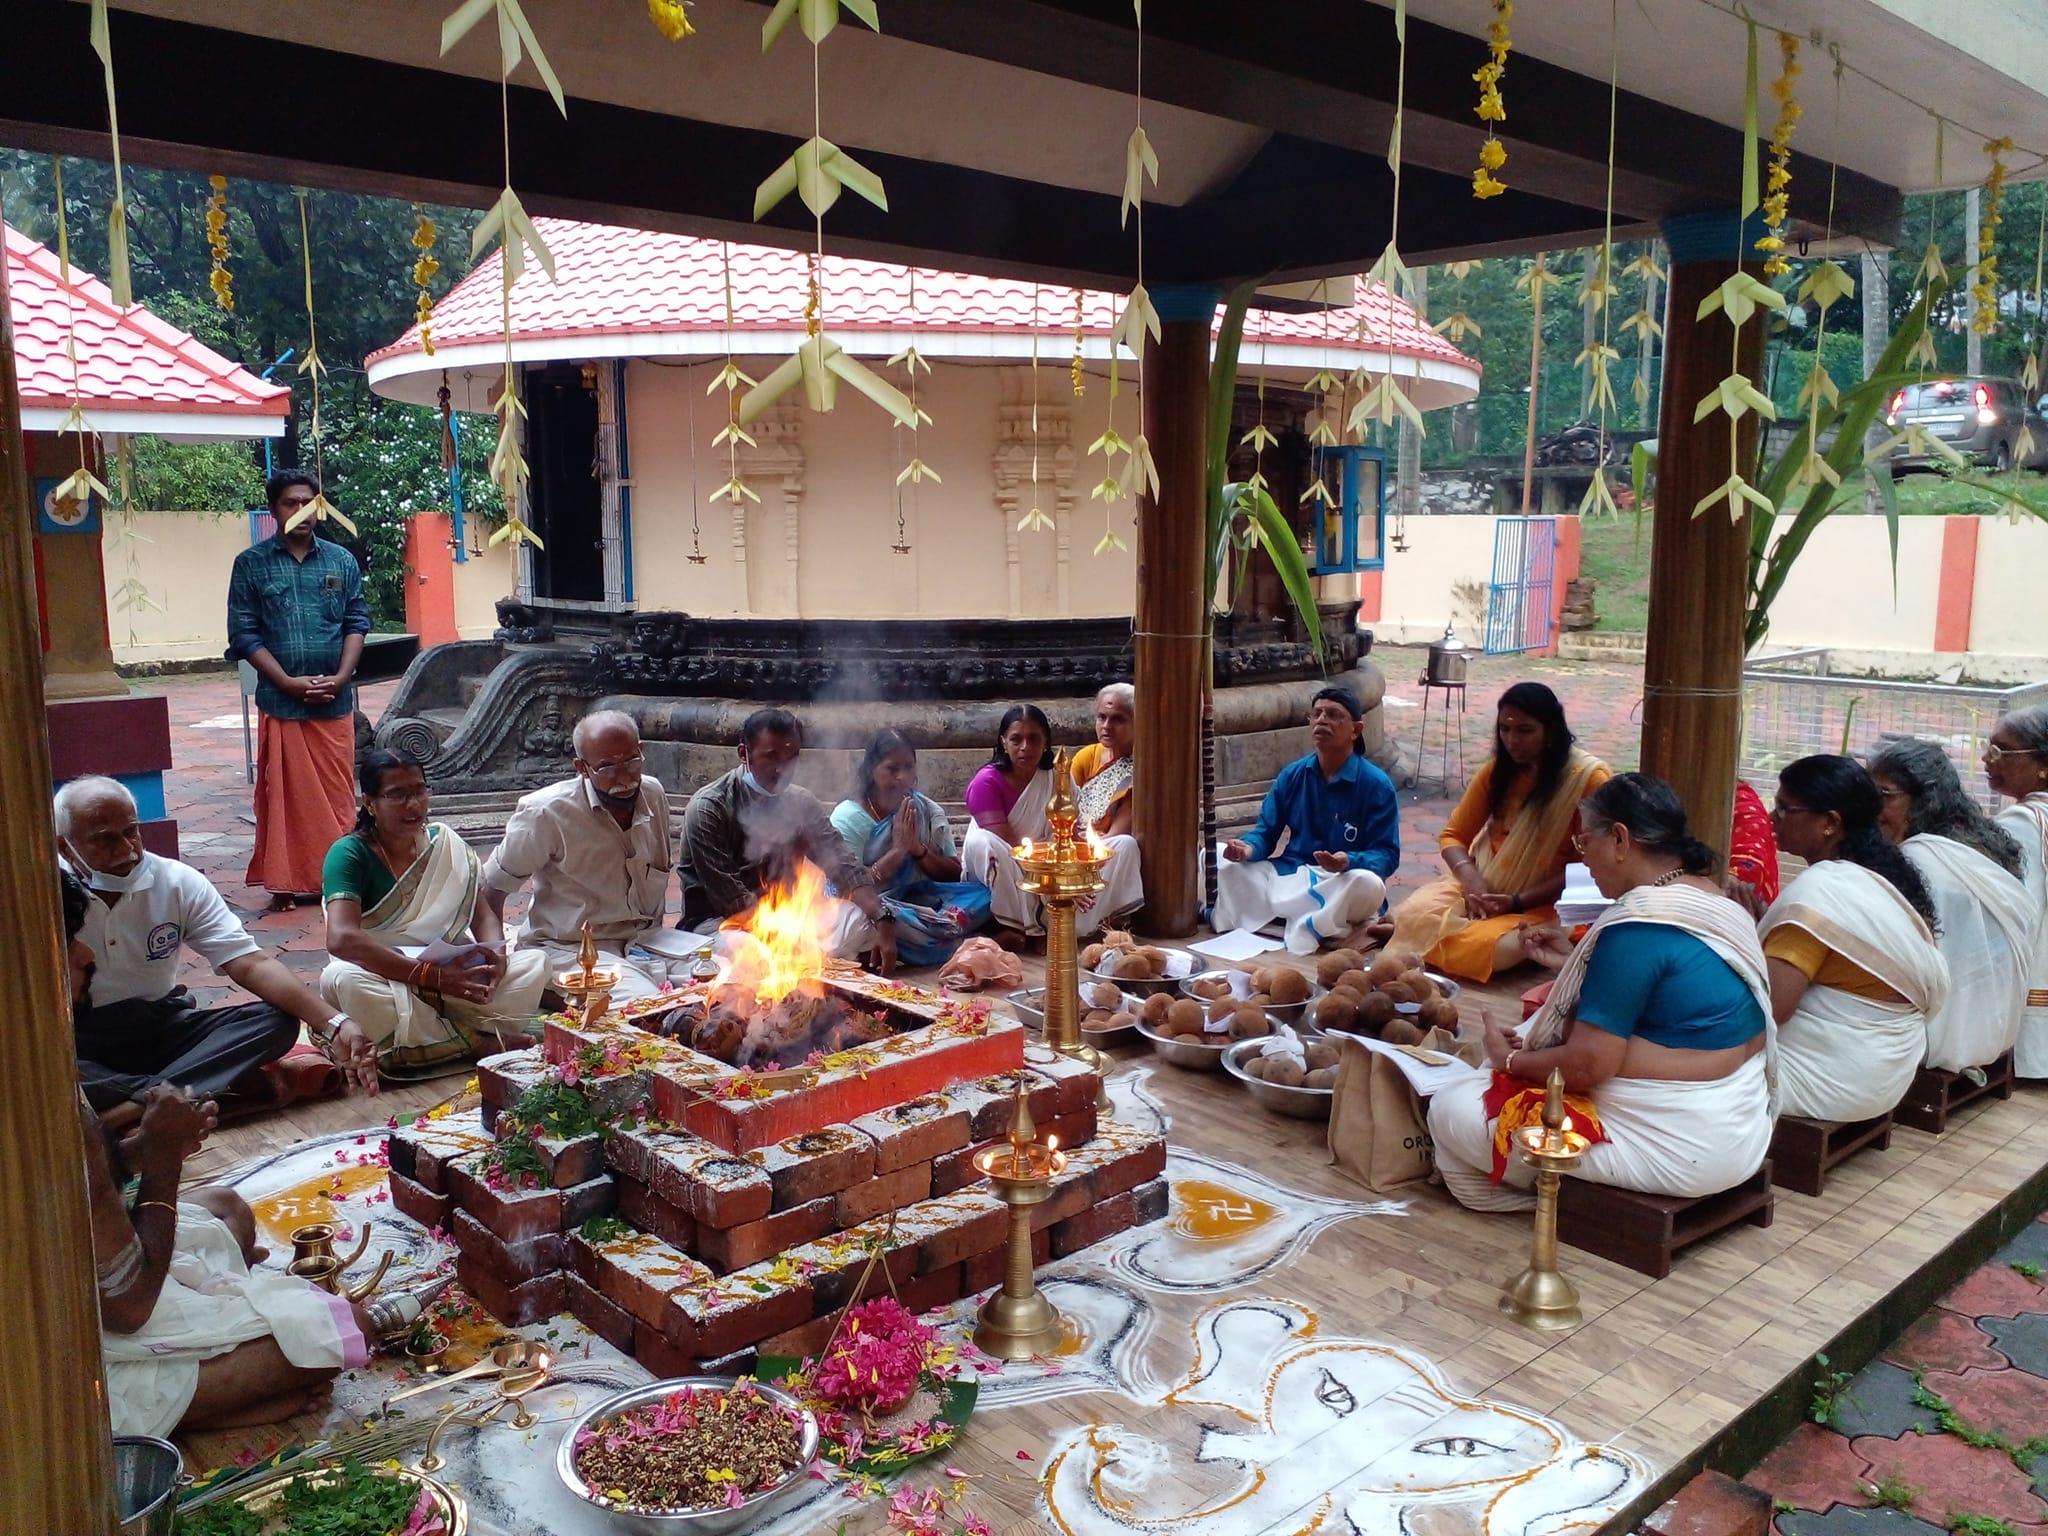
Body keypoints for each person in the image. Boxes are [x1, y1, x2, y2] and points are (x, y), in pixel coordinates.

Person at [58, 872, 370, 1436]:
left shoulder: (171, 882)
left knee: (228, 1206)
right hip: (69, 1351)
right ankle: (198, 1406)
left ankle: (139, 1096)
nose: (83, 952)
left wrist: (132, 1150)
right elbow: (127, 1307)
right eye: (67, 939)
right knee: (340, 1329)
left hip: (98, 1263)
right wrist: (162, 1160)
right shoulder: (45, 1095)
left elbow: (80, 1199)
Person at [1429, 774, 1775, 1212]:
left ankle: (1553, 1201)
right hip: (1741, 1126)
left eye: (1583, 843)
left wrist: (1510, 1061)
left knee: (1449, 1108)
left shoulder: (1638, 926)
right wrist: (1573, 962)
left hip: (1681, 1145)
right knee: (1536, 1030)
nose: (1583, 862)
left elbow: (1588, 1066)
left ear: (1619, 838)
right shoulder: (1715, 900)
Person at [58, 776, 377, 1124]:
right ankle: (179, 1092)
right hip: (81, 1038)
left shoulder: (176, 881)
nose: (126, 849)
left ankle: (132, 1109)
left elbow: (249, 963)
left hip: (161, 1027)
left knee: (274, 1023)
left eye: (131, 831)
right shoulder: (50, 893)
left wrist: (335, 1023)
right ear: (64, 847)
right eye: (104, 839)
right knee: (51, 1066)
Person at [320, 750, 551, 1074]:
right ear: (370, 803)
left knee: (534, 962)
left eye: (418, 791)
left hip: (453, 972)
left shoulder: (444, 842)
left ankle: (424, 1040)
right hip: (384, 975)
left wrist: (495, 955)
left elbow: (481, 913)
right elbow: (341, 940)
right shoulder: (349, 853)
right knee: (342, 979)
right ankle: (475, 1042)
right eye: (397, 795)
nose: (412, 804)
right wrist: (431, 977)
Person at [1762, 755, 1950, 1122]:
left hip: (1830, 1082)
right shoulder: (1884, 879)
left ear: (1830, 822)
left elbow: (1768, 1010)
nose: (1772, 819)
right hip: (1886, 1078)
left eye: (1785, 809)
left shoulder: (1821, 895)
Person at [1390, 681, 1611, 981]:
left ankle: (1424, 940)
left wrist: (1516, 901)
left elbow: (1586, 866)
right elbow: (1453, 836)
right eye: (1505, 729)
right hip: (1482, 889)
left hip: (1546, 903)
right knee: (1413, 913)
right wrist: (1473, 883)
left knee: (1492, 946)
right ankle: (1418, 934)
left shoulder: (1587, 780)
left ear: (1551, 731)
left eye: (1525, 730)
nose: (1512, 740)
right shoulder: (1496, 773)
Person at [484, 710, 706, 1004]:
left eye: (631, 761)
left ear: (642, 751)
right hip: (569, 950)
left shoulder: (652, 793)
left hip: (646, 942)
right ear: (582, 767)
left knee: (739, 974)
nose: (624, 777)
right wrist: (497, 960)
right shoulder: (545, 813)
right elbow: (489, 892)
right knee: (645, 1009)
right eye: (607, 768)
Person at [226, 471, 373, 911]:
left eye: (309, 503)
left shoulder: (341, 561)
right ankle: (286, 883)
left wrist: (344, 674)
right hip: (281, 701)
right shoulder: (251, 564)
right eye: (291, 503)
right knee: (284, 798)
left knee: (338, 797)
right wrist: (286, 681)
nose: (301, 512)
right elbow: (244, 634)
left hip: (334, 701)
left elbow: (356, 621)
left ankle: (342, 882)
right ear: (274, 509)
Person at [679, 708, 897, 973]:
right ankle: (796, 968)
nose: (782, 769)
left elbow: (845, 867)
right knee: (752, 956)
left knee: (862, 921)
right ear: (743, 753)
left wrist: (882, 917)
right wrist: (789, 940)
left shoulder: (801, 802)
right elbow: (733, 903)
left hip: (787, 921)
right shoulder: (708, 808)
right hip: (720, 926)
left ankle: (800, 968)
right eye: (771, 757)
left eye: (791, 757)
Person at [1869, 739, 2032, 1074]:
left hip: (1947, 1032)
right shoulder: (1980, 840)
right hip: (1995, 1025)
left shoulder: (1924, 860)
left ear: (1924, 799)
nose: (1875, 809)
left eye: (1886, 796)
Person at [1215, 685, 1401, 954]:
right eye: (1317, 714)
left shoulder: (1376, 785)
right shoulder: (1293, 775)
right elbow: (1266, 832)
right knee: (1218, 857)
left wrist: (1348, 861)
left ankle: (1299, 920)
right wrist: (1248, 849)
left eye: (1333, 714)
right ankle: (1325, 923)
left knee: (1369, 884)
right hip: (1292, 874)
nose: (1322, 720)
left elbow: (1386, 855)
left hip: (1339, 880)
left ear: (1356, 730)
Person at [961, 704, 1144, 941]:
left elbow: (1073, 836)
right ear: (1004, 743)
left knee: (1124, 845)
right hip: (1015, 865)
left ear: (1046, 743)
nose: (1025, 747)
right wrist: (1054, 882)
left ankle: (1085, 923)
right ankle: (1026, 928)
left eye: (1034, 739)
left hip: (1057, 862)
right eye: (1016, 739)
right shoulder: (985, 783)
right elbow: (1014, 849)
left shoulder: (1058, 776)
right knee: (983, 842)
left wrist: (1077, 876)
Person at [830, 730, 993, 968]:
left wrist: (918, 850)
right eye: (892, 769)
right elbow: (844, 888)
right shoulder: (848, 818)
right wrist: (896, 853)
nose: (902, 777)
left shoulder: (926, 810)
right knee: (856, 923)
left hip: (920, 901)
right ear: (871, 770)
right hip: (873, 906)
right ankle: (975, 942)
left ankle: (943, 943)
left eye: (909, 768)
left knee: (987, 896)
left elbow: (953, 873)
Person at [1986, 706, 2048, 1077]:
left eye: (2001, 750)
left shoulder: (2023, 823)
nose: (1987, 759)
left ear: (2043, 764)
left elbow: (2017, 913)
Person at [1071, 683, 1135, 838]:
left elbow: (1116, 836)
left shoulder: (1142, 769)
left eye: (1118, 719)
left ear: (1137, 722)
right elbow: (1066, 806)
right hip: (1073, 842)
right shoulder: (1087, 756)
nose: (1107, 726)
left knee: (1125, 844)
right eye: (1102, 717)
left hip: (1110, 846)